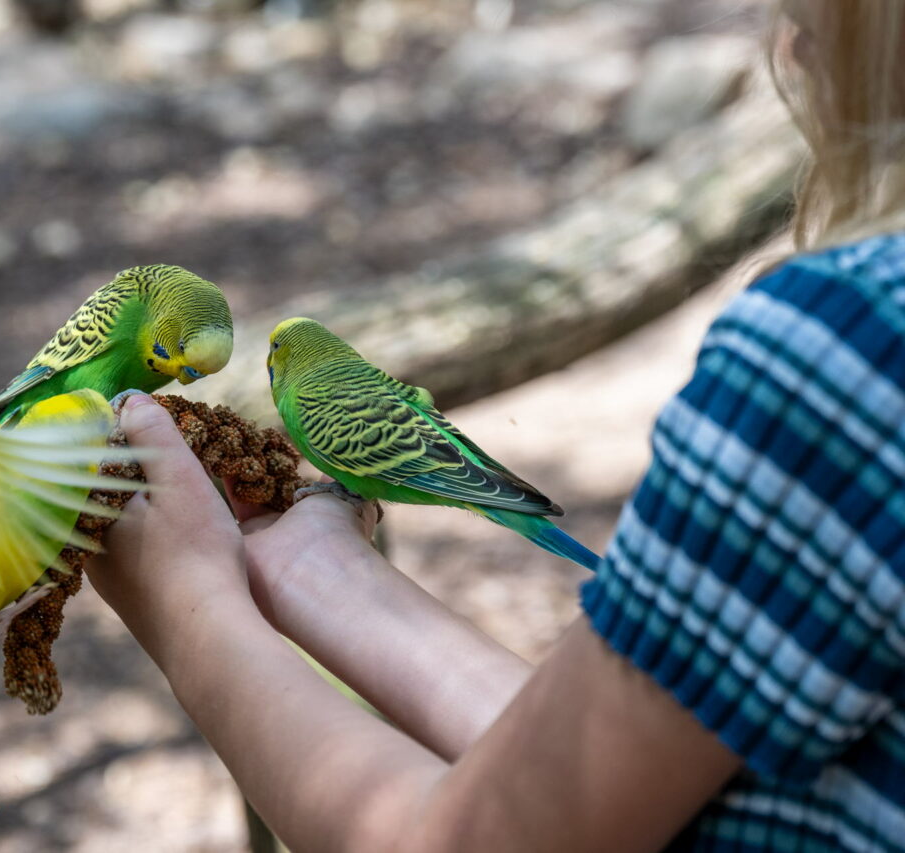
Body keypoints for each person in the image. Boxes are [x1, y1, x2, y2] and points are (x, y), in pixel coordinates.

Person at [86, 2, 905, 850]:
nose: (786, 27)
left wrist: (190, 611)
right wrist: (321, 571)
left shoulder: (851, 346)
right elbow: (586, 776)